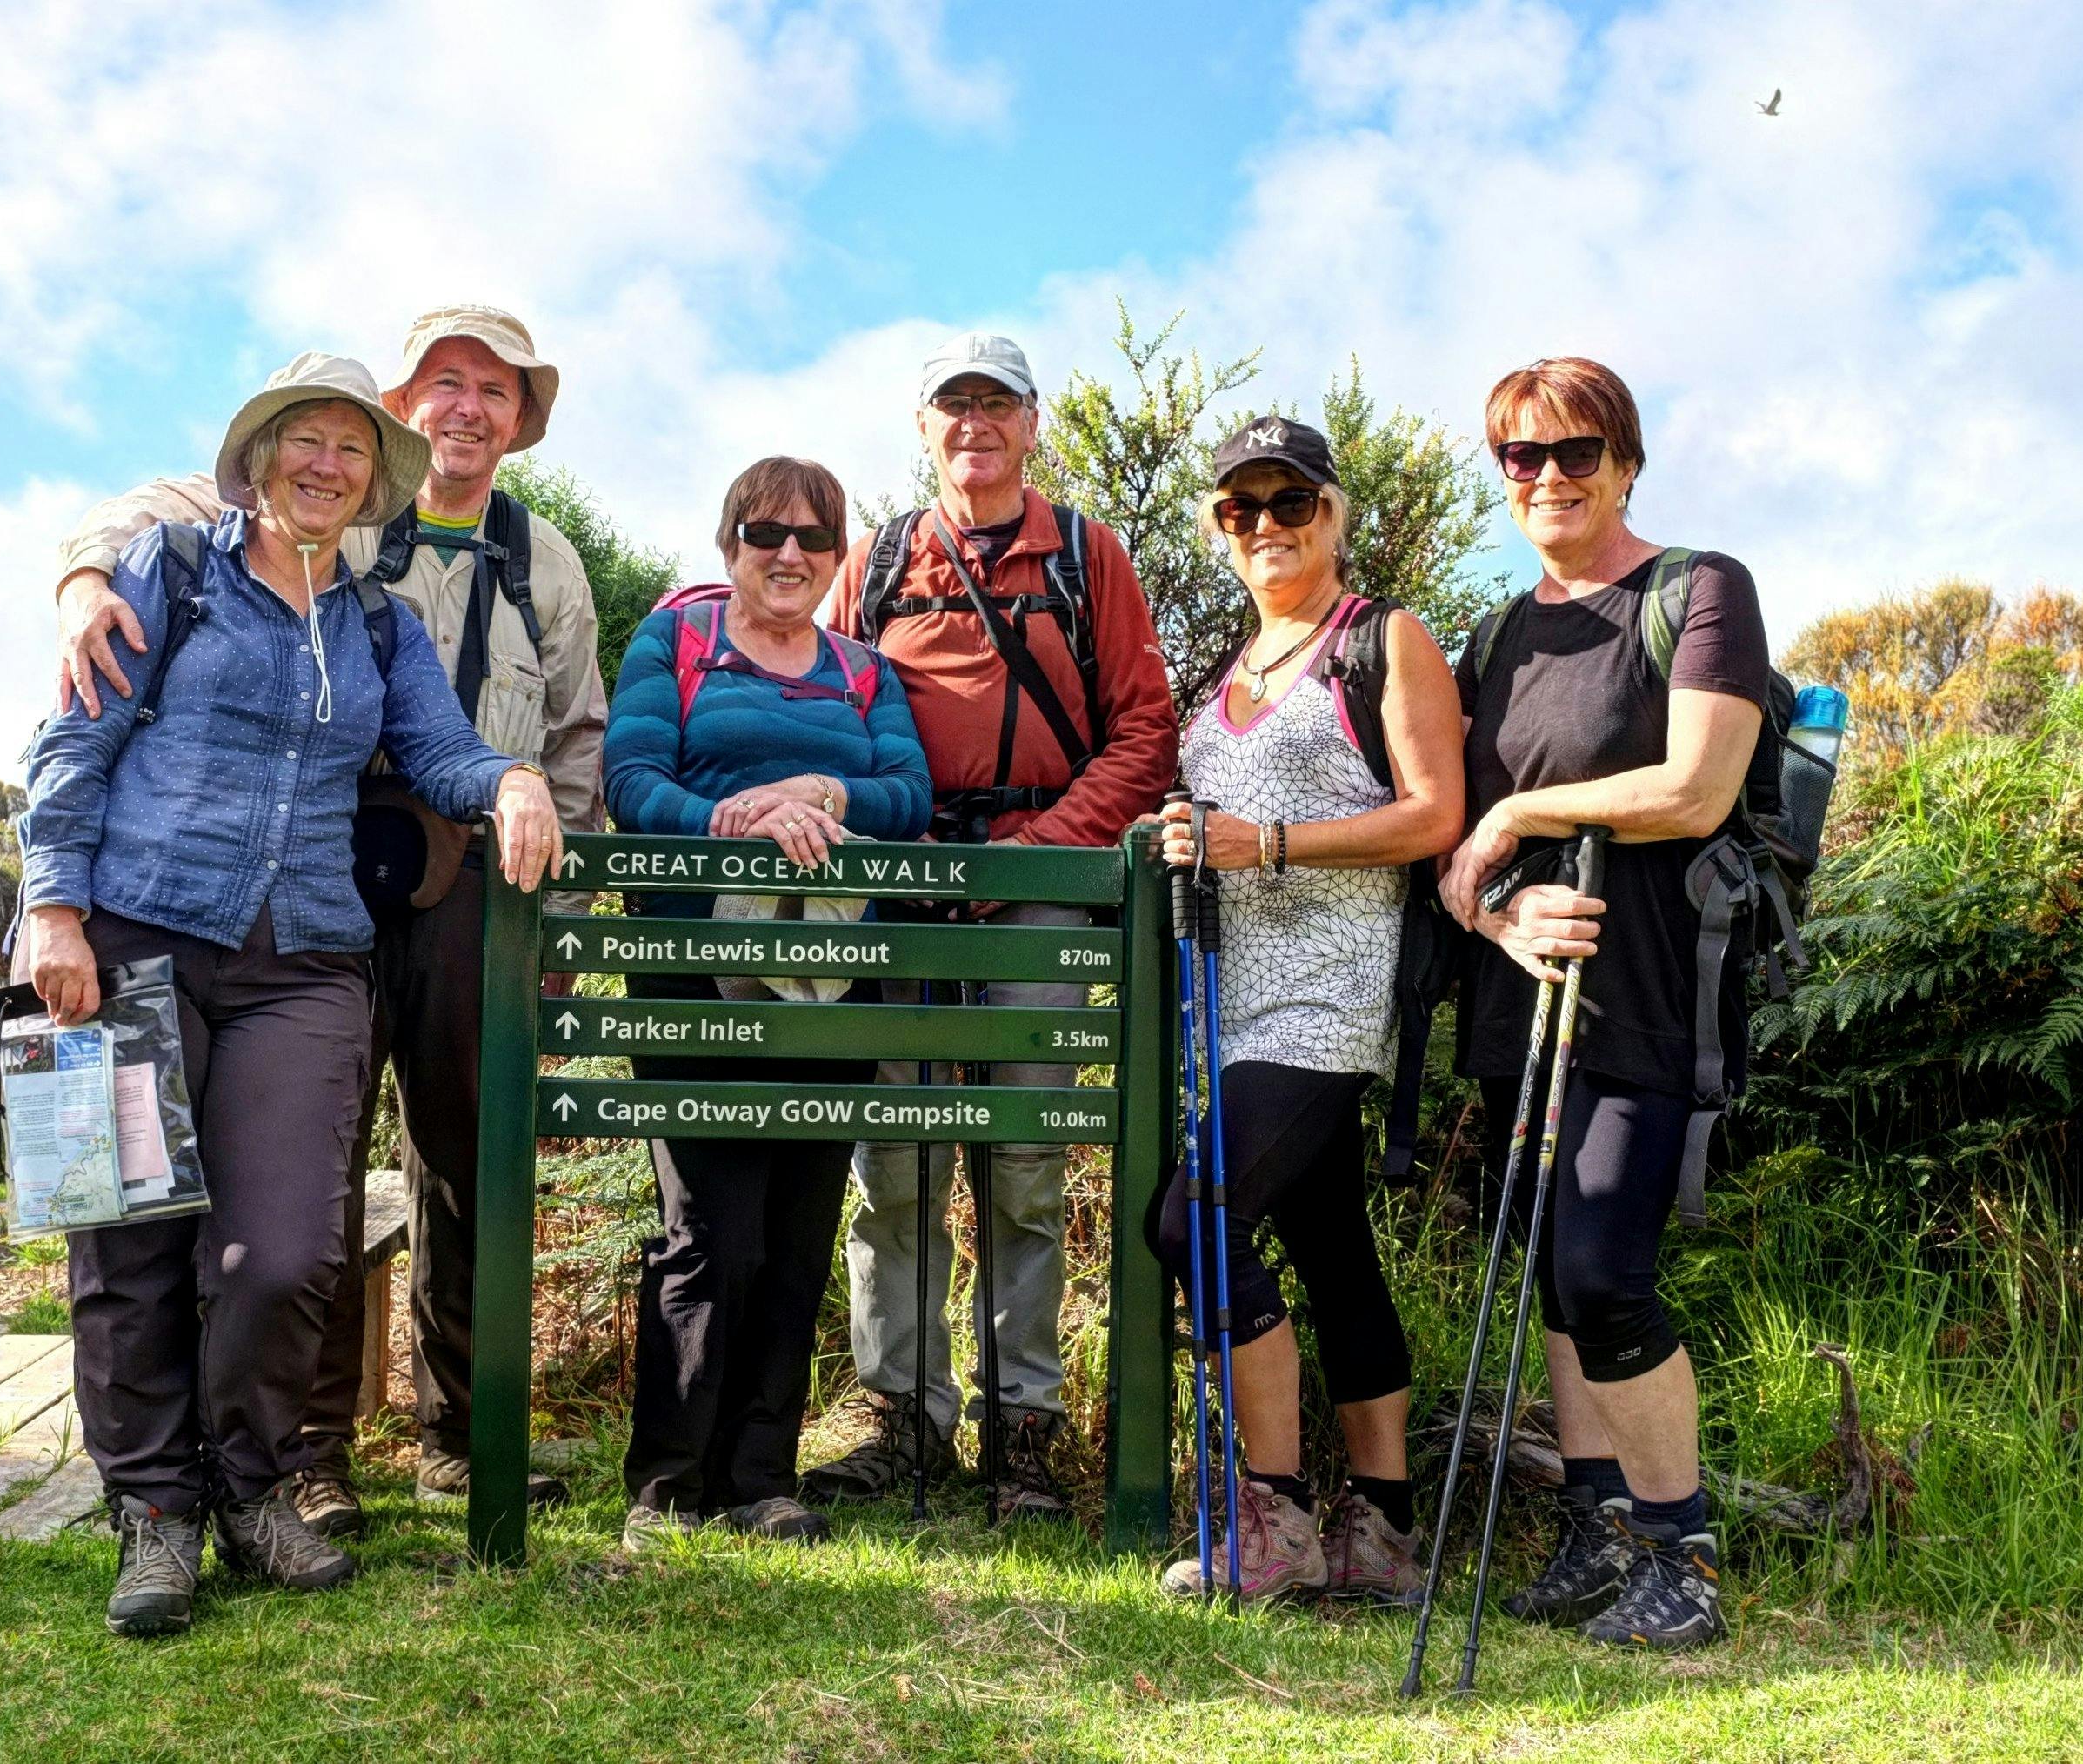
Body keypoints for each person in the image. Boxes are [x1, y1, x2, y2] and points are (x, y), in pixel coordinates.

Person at [16, 354, 564, 1637]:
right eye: (305, 443)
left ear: (376, 480)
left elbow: (434, 745)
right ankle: (156, 1516)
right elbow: (74, 734)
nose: (327, 467)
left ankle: (255, 1487)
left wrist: (510, 781)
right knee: (129, 1240)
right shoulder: (173, 571)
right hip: (134, 930)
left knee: (287, 1253)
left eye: (352, 452)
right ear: (260, 457)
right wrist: (51, 903)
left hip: (306, 958)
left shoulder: (379, 621)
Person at [802, 333, 1177, 1523]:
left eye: (995, 404)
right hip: (901, 887)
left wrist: (1034, 847)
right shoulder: (875, 562)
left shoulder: (1085, 555)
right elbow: (815, 703)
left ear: (1031, 422)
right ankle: (899, 1418)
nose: (974, 423)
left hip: (1037, 886)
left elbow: (1143, 730)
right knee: (894, 1162)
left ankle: (1023, 1428)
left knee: (1021, 1167)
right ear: (922, 429)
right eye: (951, 405)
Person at [1436, 357, 1767, 1651]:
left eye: (1576, 451)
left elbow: (1692, 789)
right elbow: (1452, 847)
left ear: (1624, 462)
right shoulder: (1497, 635)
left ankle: (1680, 1558)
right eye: (1521, 458)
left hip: (1648, 993)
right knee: (1550, 1281)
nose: (1549, 478)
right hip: (1523, 1003)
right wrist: (1497, 905)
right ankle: (1595, 1531)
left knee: (1602, 1271)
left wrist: (1521, 810)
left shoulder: (1697, 591)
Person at [1145, 416, 1465, 1602]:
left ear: (1332, 514)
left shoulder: (1382, 640)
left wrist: (1260, 844)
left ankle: (1271, 1519)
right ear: (1217, 529)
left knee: (1193, 1221)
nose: (1266, 527)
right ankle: (1378, 1535)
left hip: (1329, 1004)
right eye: (1241, 509)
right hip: (1224, 1013)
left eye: (1290, 504)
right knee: (1333, 1253)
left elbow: (1432, 813)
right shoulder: (1227, 671)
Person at [600, 458, 932, 1550]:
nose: (787, 554)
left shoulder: (864, 673)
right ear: (728, 542)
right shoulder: (676, 646)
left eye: (812, 537)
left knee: (796, 1227)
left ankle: (761, 1477)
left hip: (831, 978)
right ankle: (668, 1481)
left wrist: (827, 795)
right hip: (696, 974)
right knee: (710, 1229)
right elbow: (633, 780)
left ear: (838, 556)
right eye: (762, 532)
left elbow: (908, 792)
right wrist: (735, 815)